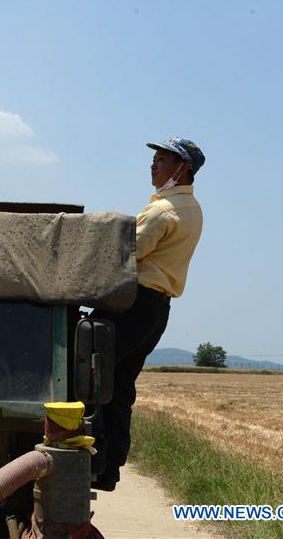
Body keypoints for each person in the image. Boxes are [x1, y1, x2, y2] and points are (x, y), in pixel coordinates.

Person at [91, 137, 205, 491]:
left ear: (182, 169)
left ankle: (91, 458)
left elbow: (125, 255)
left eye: (161, 160)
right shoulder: (192, 209)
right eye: (153, 159)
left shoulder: (162, 210)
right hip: (155, 310)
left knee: (86, 373)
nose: (153, 166)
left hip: (131, 304)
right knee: (119, 384)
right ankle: (109, 468)